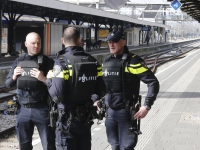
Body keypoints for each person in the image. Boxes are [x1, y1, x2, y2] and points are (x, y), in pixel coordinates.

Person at [46, 27, 104, 150]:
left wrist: (49, 80)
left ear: (63, 40)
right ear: (79, 40)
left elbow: (56, 96)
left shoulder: (61, 63)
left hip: (67, 122)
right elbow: (101, 90)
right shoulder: (93, 61)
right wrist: (90, 100)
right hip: (86, 119)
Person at [100, 31, 159, 150]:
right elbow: (101, 85)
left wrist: (146, 106)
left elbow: (153, 82)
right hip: (110, 112)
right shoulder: (106, 62)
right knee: (114, 146)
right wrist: (97, 100)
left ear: (123, 42)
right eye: (109, 42)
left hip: (126, 113)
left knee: (126, 147)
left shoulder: (133, 62)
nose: (111, 45)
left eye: (115, 42)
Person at [5, 32, 56, 150]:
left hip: (42, 109)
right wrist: (14, 76)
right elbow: (8, 84)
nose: (36, 46)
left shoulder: (48, 62)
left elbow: (56, 87)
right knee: (24, 146)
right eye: (33, 43)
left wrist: (43, 79)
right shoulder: (19, 61)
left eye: (38, 43)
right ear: (26, 44)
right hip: (23, 110)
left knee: (49, 145)